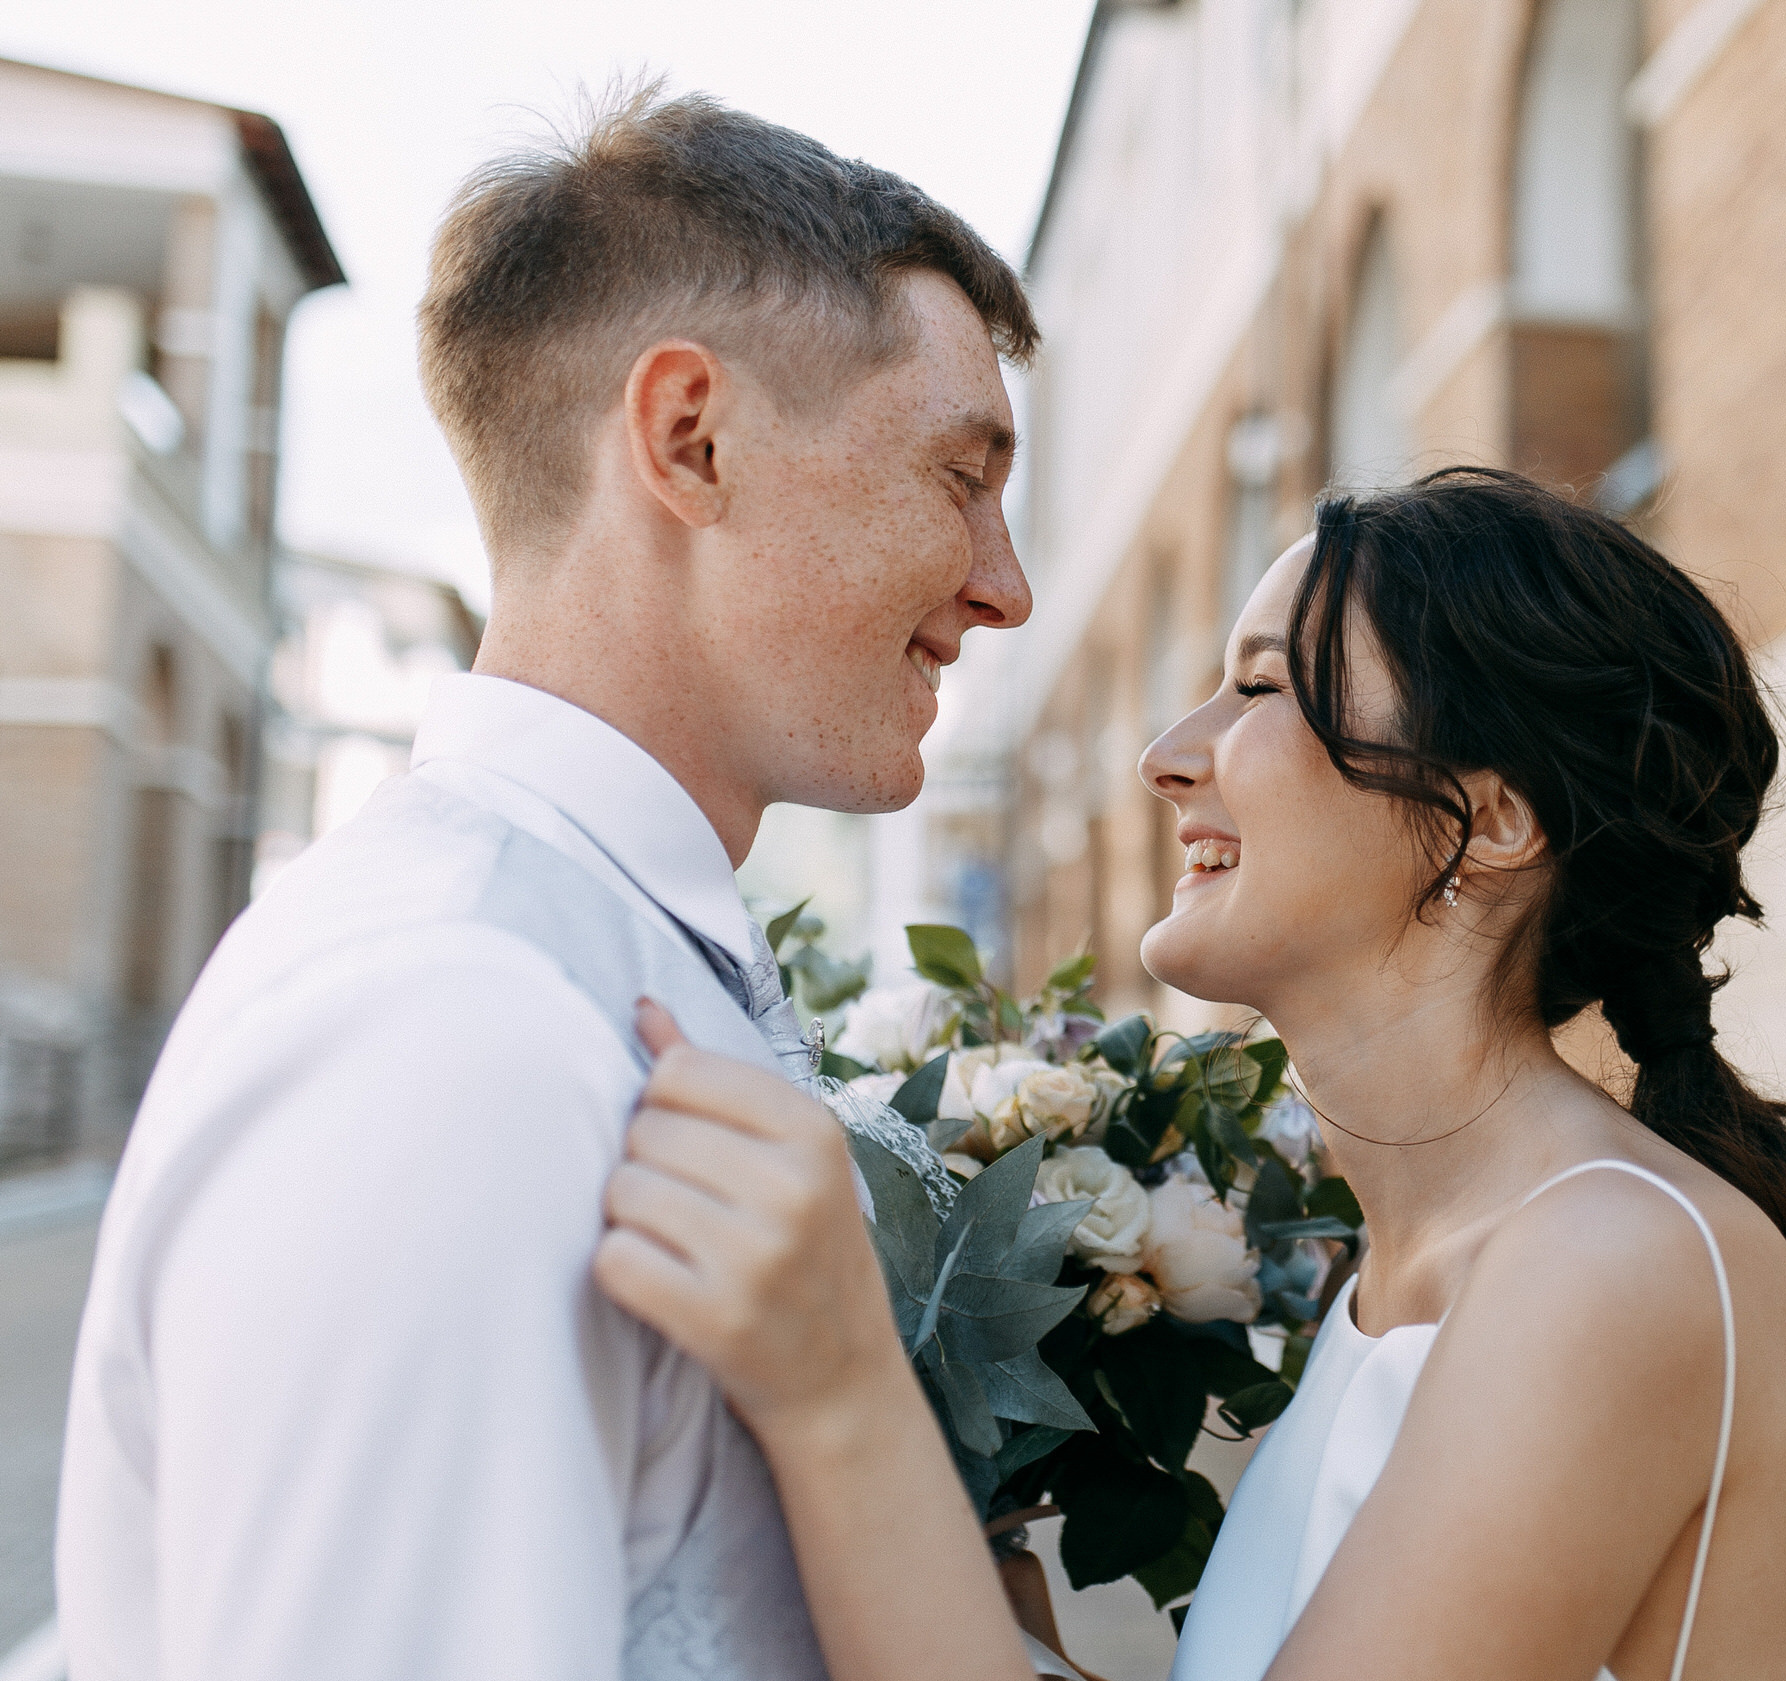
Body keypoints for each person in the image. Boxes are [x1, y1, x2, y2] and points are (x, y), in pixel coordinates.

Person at [596, 468, 1786, 1680]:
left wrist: (841, 1391)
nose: (1168, 754)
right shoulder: (1399, 1272)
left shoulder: (1612, 1263)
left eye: (1262, 688)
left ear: (1495, 817)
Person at [54, 85, 1051, 1680]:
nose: (1004, 584)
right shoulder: (448, 1032)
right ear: (691, 440)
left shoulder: (594, 953)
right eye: (958, 473)